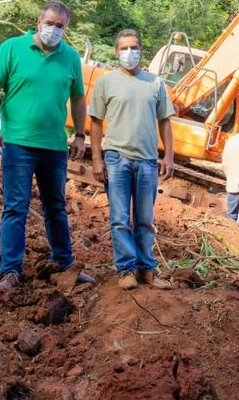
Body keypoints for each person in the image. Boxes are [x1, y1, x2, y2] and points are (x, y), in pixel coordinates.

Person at [0, 0, 92, 292]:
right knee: (15, 207)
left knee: (55, 206)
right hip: (17, 143)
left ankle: (64, 264)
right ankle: (10, 271)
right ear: (38, 21)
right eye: (50, 23)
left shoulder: (70, 58)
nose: (54, 30)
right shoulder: (12, 48)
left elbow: (79, 98)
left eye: (60, 26)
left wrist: (80, 134)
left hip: (54, 146)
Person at [90, 29, 175, 291]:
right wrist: (96, 159)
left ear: (141, 50)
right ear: (117, 52)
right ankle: (126, 269)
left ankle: (146, 270)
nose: (130, 52)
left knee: (145, 219)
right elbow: (95, 122)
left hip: (148, 160)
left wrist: (169, 156)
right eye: (124, 48)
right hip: (117, 158)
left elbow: (165, 122)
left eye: (134, 47)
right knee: (119, 218)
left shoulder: (156, 83)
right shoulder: (106, 83)